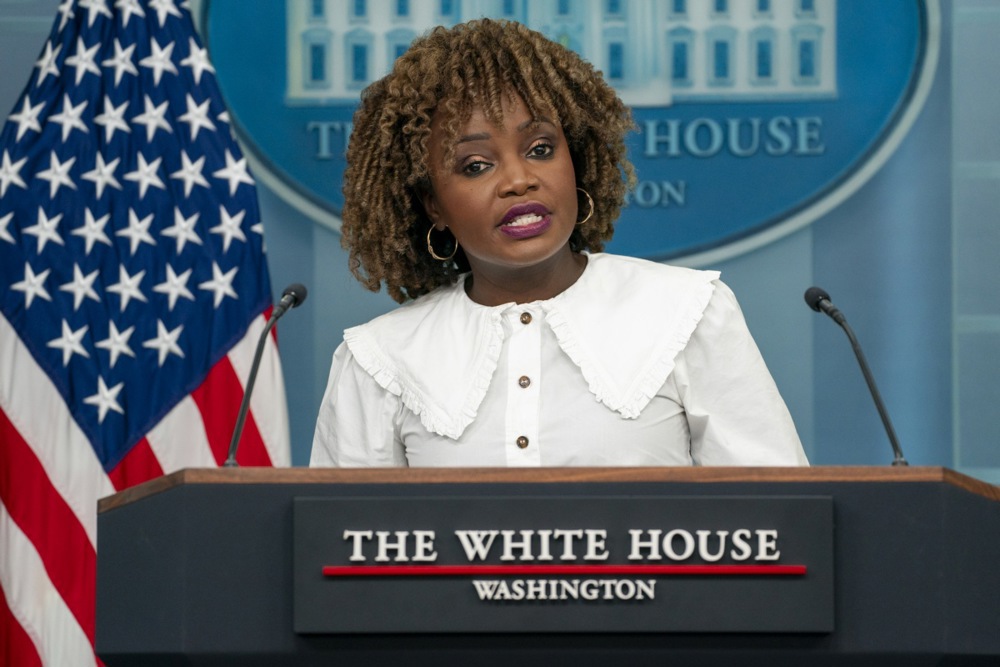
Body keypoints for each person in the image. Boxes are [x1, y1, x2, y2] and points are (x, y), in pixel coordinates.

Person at [310, 19, 808, 468]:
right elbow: (344, 534)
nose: (518, 180)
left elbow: (779, 514)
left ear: (577, 161)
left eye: (540, 148)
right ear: (432, 205)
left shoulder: (686, 312)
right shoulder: (379, 360)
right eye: (476, 165)